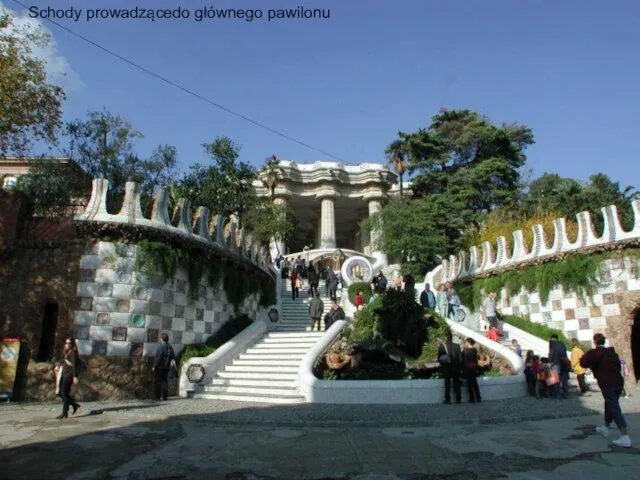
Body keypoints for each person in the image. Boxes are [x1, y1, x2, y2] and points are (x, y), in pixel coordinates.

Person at [580, 333, 631, 448]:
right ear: (604, 341)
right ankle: (606, 427)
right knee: (610, 403)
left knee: (613, 406)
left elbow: (583, 363)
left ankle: (625, 436)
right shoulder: (612, 353)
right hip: (618, 381)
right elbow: (618, 366)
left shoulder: (594, 353)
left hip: (607, 383)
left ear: (595, 342)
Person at [55, 337, 81, 419]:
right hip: (64, 374)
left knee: (64, 393)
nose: (68, 344)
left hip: (69, 376)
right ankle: (74, 405)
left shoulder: (73, 352)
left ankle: (64, 412)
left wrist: (74, 376)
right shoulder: (68, 352)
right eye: (66, 343)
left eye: (69, 343)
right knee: (60, 393)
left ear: (72, 344)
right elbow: (64, 361)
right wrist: (58, 365)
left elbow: (74, 365)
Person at [437, 332, 462, 404]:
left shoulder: (442, 346)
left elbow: (439, 358)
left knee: (447, 383)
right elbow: (460, 359)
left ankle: (447, 399)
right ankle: (458, 399)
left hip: (446, 367)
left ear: (446, 338)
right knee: (456, 383)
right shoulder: (457, 346)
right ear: (452, 338)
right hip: (456, 367)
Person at [153, 333, 175, 401]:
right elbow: (173, 357)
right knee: (165, 382)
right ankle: (165, 397)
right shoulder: (170, 347)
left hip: (160, 366)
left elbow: (158, 357)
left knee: (158, 382)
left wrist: (154, 366)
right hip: (167, 367)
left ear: (162, 339)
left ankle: (157, 397)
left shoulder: (161, 346)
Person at [548, 334, 569, 399]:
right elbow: (565, 353)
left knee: (555, 379)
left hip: (555, 363)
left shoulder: (553, 344)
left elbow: (551, 354)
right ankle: (566, 394)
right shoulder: (562, 344)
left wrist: (550, 361)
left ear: (553, 338)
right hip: (564, 363)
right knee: (564, 380)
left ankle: (557, 394)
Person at [462, 338, 481, 403]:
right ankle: (478, 398)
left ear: (468, 342)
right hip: (474, 368)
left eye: (466, 342)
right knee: (475, 384)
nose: (465, 344)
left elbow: (463, 359)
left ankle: (472, 398)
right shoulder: (474, 350)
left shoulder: (466, 350)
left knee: (470, 384)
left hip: (468, 368)